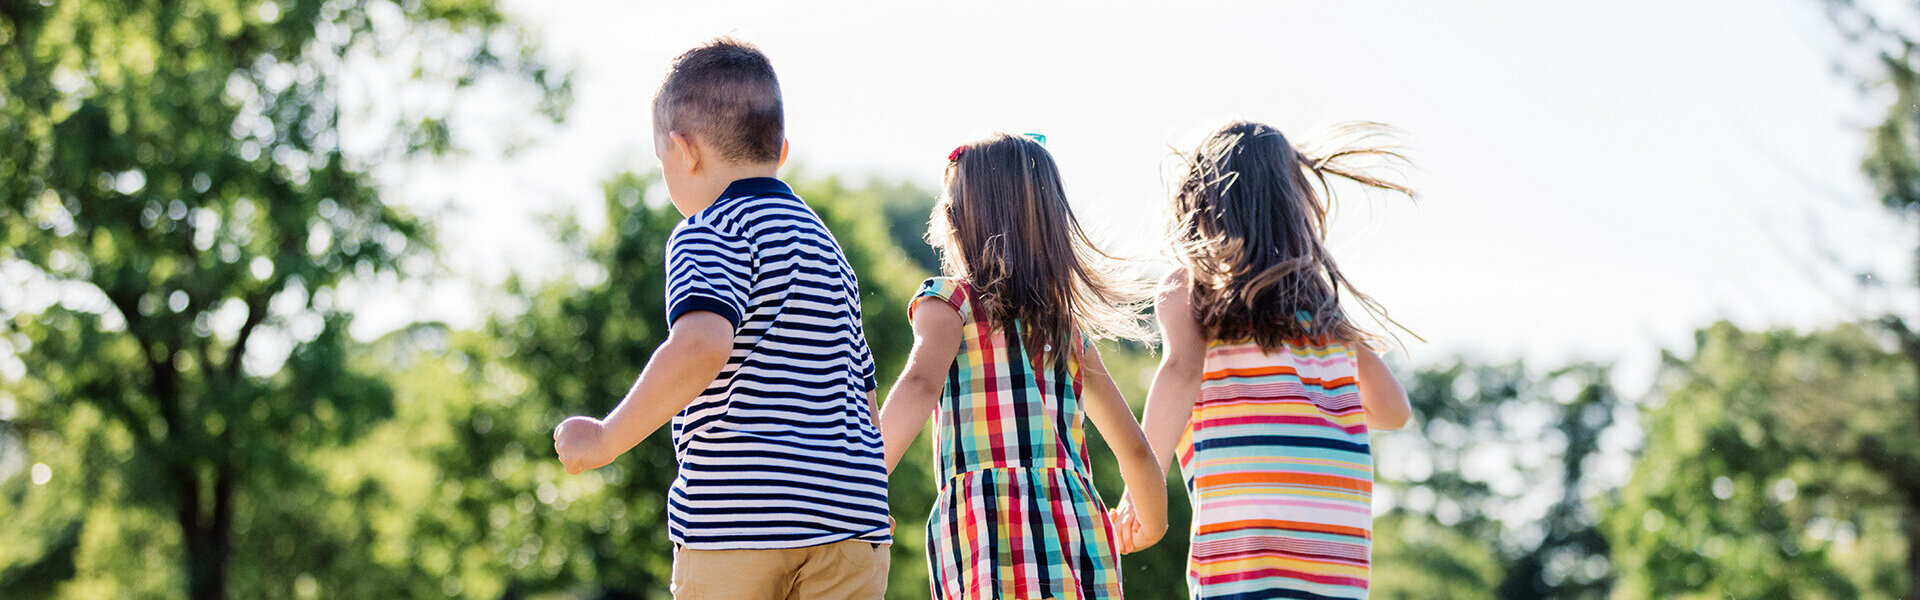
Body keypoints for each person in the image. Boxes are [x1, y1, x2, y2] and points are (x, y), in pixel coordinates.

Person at [551, 37, 890, 600]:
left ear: (684, 151)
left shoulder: (710, 229)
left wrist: (607, 438)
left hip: (740, 520)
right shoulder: (825, 244)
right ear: (781, 151)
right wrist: (868, 494)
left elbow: (702, 346)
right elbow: (861, 385)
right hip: (851, 524)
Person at [1119, 121, 1416, 600]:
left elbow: (1180, 372)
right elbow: (1393, 410)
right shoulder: (1321, 310)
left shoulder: (1192, 289)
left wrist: (1140, 488)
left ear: (1203, 202)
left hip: (1245, 550)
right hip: (1333, 558)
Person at [878, 132, 1168, 600]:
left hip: (986, 531)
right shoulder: (1062, 332)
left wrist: (859, 484)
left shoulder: (949, 304)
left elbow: (918, 385)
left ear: (954, 221)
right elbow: (1133, 448)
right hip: (1074, 528)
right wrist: (1150, 523)